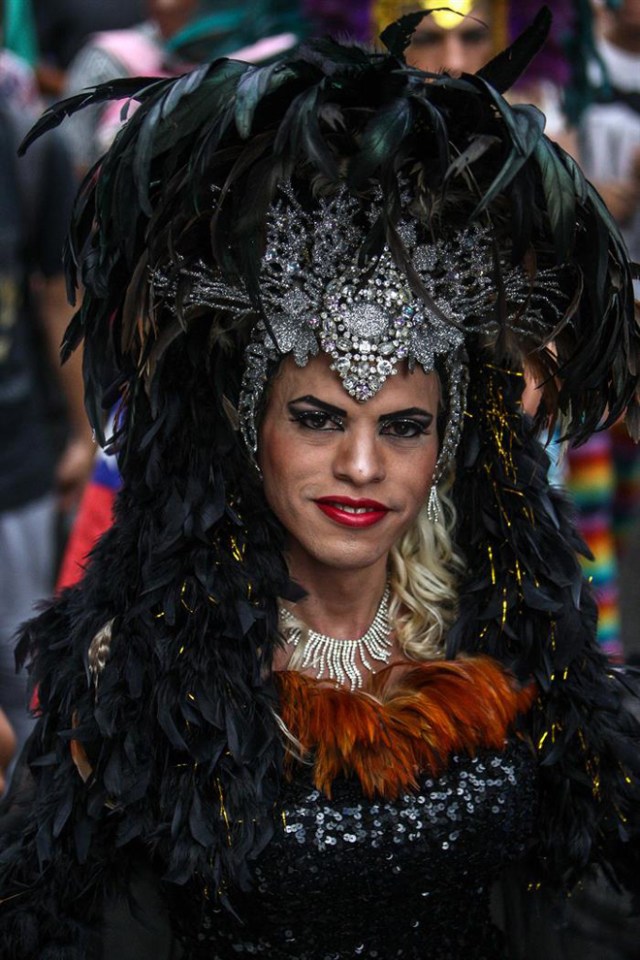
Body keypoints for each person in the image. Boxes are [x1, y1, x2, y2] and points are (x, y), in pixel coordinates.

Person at [1, 9, 639, 959]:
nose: (363, 468)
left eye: (405, 427)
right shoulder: (141, 672)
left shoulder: (508, 623)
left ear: (451, 440)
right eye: (319, 418)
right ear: (250, 425)